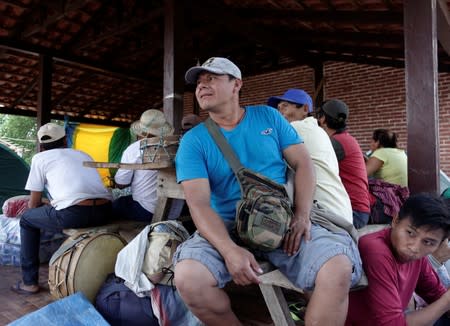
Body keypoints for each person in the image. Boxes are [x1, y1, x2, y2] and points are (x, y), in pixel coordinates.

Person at [173, 57, 363, 325]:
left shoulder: (268, 117)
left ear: (236, 84)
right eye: (199, 82)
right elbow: (199, 204)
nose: (202, 86)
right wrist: (228, 250)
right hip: (227, 226)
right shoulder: (193, 141)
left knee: (338, 267)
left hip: (281, 218)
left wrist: (302, 214)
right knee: (188, 278)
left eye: (211, 78)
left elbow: (303, 163)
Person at [11, 123, 112, 295]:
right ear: (65, 140)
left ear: (42, 146)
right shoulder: (82, 153)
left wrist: (42, 204)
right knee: (56, 212)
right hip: (106, 210)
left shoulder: (40, 158)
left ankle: (29, 282)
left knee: (28, 219)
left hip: (75, 214)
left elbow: (33, 204)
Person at [346, 193, 450, 325]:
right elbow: (393, 324)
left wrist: (445, 301)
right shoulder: (376, 251)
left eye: (428, 242)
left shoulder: (416, 257)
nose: (415, 247)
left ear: (440, 244)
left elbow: (436, 293)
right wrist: (446, 302)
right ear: (395, 221)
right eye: (410, 233)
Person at [267, 88, 353, 225]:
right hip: (340, 210)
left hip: (324, 214)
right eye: (278, 108)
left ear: (305, 109)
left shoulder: (297, 127)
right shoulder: (316, 130)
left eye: (285, 106)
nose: (280, 112)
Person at [316, 99, 371, 228]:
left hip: (352, 213)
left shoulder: (334, 143)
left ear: (322, 119)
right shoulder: (346, 139)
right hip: (358, 210)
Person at [112, 109, 174, 222]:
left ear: (141, 131)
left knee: (115, 204)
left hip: (146, 210)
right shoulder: (176, 147)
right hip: (174, 211)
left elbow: (121, 183)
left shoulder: (135, 148)